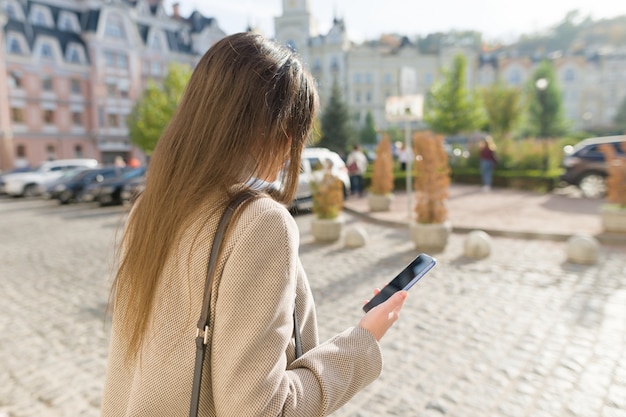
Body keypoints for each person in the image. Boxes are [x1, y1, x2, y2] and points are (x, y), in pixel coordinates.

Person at [101, 32, 408, 416]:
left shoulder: (148, 208)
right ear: (273, 127)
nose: (291, 148)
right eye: (295, 130)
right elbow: (262, 410)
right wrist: (361, 342)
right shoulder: (260, 224)